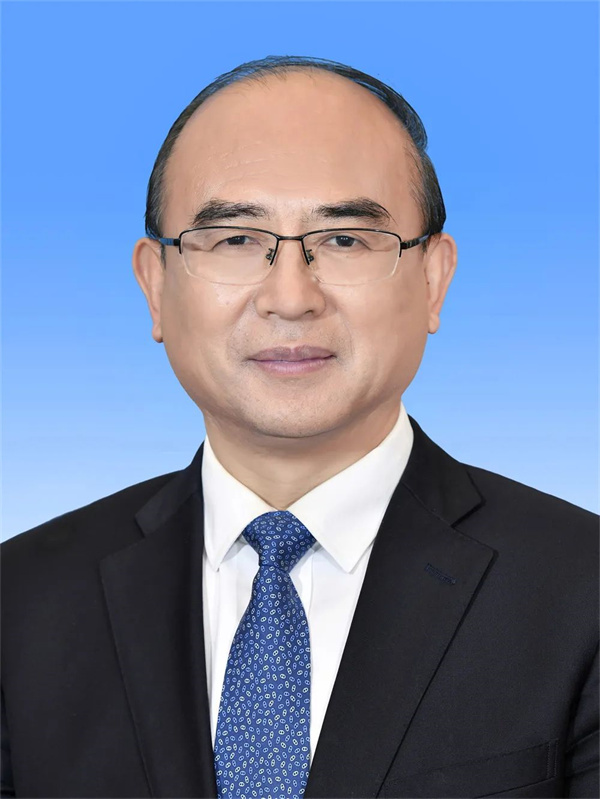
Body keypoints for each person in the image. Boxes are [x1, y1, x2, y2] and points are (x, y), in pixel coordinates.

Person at [1, 54, 597, 799]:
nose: (290, 297)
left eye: (344, 239)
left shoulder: (581, 592)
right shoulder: (20, 602)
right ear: (155, 286)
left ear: (433, 279)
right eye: (235, 239)